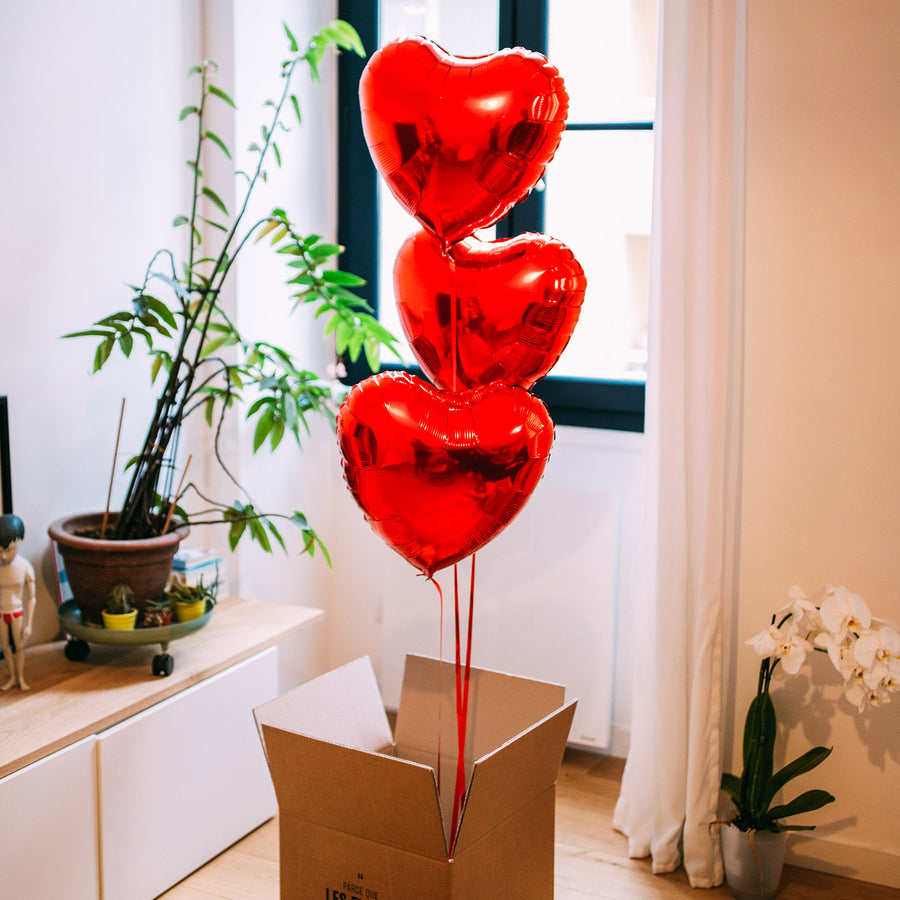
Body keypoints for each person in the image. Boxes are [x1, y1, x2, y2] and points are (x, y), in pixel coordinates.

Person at [0, 514, 36, 691]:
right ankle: (12, 677)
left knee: (19, 646)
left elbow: (32, 597)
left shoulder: (25, 567)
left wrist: (29, 624)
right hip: (1, 614)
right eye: (0, 551)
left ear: (18, 542)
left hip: (17, 613)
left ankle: (20, 678)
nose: (5, 556)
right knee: (5, 647)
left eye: (9, 549)